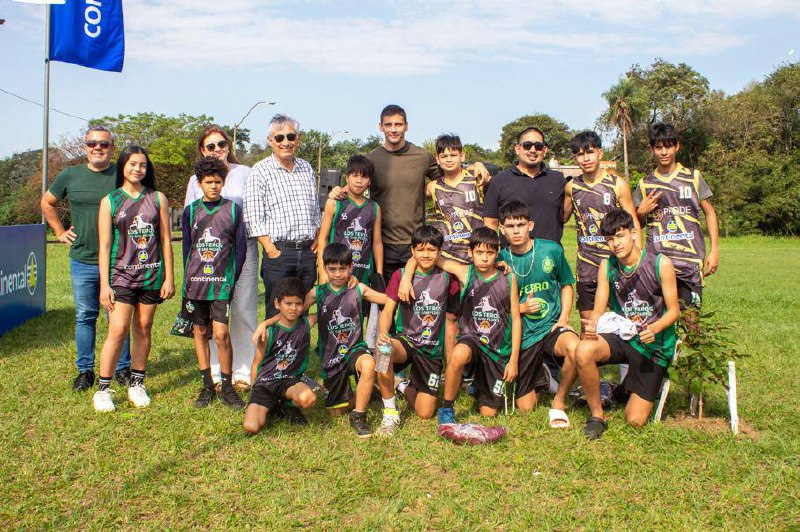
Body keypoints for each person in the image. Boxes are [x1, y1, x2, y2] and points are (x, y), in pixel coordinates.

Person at [329, 105, 489, 285]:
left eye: (398, 124)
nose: (393, 129)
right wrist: (338, 190)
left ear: (407, 126)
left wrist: (474, 166)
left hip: (417, 244)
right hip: (383, 244)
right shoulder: (372, 159)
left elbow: (450, 173)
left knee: (416, 302)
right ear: (380, 127)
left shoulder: (423, 156)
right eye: (388, 125)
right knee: (385, 304)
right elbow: (356, 184)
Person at [572, 209, 680, 440]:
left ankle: (625, 387)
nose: (615, 244)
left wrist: (655, 328)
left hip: (654, 343)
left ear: (633, 233)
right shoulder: (607, 266)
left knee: (634, 420)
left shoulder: (660, 264)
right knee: (584, 349)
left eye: (620, 236)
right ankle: (597, 416)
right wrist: (593, 325)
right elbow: (600, 308)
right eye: (609, 239)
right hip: (625, 335)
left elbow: (674, 311)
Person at [40, 125, 132, 391]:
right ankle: (85, 371)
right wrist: (59, 231)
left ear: (112, 148)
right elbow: (47, 202)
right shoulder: (70, 175)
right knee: (85, 316)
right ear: (85, 147)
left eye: (103, 144)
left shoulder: (121, 175)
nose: (97, 148)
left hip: (118, 261)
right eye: (92, 143)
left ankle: (122, 368)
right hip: (82, 260)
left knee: (117, 317)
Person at [400, 227, 521, 423]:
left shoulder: (508, 278)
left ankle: (478, 386)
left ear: (497, 253)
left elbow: (516, 319)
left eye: (489, 253)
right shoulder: (465, 272)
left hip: (497, 348)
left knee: (488, 413)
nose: (484, 258)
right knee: (457, 354)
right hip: (471, 339)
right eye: (479, 252)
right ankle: (447, 408)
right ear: (470, 252)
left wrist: (513, 360)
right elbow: (425, 255)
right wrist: (406, 277)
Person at [92, 146, 175, 412]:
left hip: (151, 275)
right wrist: (104, 284)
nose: (137, 169)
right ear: (123, 166)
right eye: (132, 164)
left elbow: (165, 240)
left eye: (142, 165)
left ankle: (137, 384)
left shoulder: (158, 198)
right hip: (121, 276)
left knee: (144, 328)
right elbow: (105, 245)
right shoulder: (110, 200)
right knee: (117, 330)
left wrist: (169, 277)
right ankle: (103, 389)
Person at [184, 124, 258, 387]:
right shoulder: (195, 180)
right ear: (202, 151)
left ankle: (242, 371)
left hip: (242, 250)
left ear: (229, 146)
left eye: (221, 145)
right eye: (210, 147)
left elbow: (254, 211)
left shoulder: (245, 173)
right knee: (215, 316)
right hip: (209, 257)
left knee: (243, 309)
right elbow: (191, 218)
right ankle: (215, 371)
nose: (217, 150)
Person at [496, 200, 579, 419]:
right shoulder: (500, 259)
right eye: (510, 226)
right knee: (526, 406)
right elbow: (494, 303)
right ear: (502, 230)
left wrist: (563, 318)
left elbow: (567, 284)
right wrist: (521, 308)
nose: (516, 231)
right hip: (523, 335)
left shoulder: (551, 249)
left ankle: (559, 398)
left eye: (521, 225)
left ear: (530, 225)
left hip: (551, 326)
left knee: (575, 348)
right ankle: (542, 375)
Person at [376, 225, 460, 435]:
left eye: (431, 250)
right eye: (420, 249)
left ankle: (402, 385)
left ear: (440, 252)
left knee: (425, 412)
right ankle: (390, 413)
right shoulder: (401, 275)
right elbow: (387, 311)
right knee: (383, 351)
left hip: (431, 349)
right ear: (412, 251)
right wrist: (382, 335)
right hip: (407, 342)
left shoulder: (448, 278)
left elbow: (451, 321)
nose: (425, 254)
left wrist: (450, 359)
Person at [182, 156, 248, 410]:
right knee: (200, 332)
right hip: (197, 283)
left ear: (224, 182)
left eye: (218, 182)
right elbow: (187, 251)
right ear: (199, 183)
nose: (213, 186)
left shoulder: (233, 209)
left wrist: (231, 279)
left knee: (221, 333)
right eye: (208, 182)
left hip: (221, 284)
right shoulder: (191, 211)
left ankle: (227, 386)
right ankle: (207, 384)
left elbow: (240, 250)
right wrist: (187, 281)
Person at [633, 123, 720, 310]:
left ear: (677, 147)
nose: (664, 152)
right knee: (661, 321)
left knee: (691, 322)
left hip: (690, 262)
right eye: (658, 147)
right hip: (658, 263)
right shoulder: (645, 184)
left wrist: (714, 250)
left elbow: (710, 213)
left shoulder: (693, 177)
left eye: (668, 146)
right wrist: (641, 212)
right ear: (652, 149)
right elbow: (635, 225)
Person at [243, 114, 320, 318]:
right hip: (279, 253)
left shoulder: (307, 168)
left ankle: (298, 350)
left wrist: (318, 238)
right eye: (279, 138)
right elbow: (252, 215)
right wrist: (269, 247)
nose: (286, 142)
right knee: (276, 312)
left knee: (301, 310)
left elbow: (315, 209)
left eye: (290, 137)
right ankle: (274, 350)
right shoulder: (259, 171)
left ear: (298, 139)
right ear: (270, 141)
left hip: (306, 254)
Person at [564, 131, 640, 327]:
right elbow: (562, 218)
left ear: (599, 153)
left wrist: (638, 258)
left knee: (624, 322)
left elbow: (633, 221)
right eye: (579, 154)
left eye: (589, 152)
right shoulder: (572, 187)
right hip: (586, 267)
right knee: (588, 326)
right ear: (575, 158)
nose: (585, 158)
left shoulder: (617, 184)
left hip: (616, 265)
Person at [244, 277, 318, 435]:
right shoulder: (268, 333)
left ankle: (288, 404)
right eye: (288, 304)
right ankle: (273, 405)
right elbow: (256, 363)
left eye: (298, 304)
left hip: (288, 381)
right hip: (265, 384)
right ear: (277, 304)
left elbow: (327, 306)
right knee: (252, 427)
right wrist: (254, 390)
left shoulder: (306, 324)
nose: (293, 308)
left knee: (308, 398)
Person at [484, 127, 567, 243]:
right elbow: (490, 223)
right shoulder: (499, 181)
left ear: (544, 150)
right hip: (511, 258)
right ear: (518, 149)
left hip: (550, 257)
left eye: (538, 146)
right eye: (527, 145)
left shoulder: (558, 180)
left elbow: (565, 216)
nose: (533, 150)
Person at [317, 155, 383, 286]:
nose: (359, 181)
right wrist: (322, 273)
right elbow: (322, 239)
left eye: (364, 177)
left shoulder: (374, 207)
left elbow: (377, 243)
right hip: (336, 271)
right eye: (354, 175)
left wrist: (379, 274)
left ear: (369, 181)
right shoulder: (334, 204)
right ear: (347, 178)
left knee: (360, 305)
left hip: (363, 270)